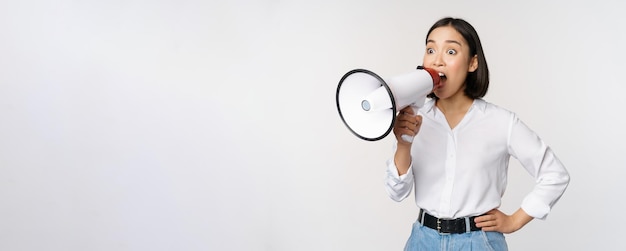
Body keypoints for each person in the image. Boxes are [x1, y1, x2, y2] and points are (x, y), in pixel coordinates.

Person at [385, 17, 570, 251]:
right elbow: (396, 193)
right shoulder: (414, 116)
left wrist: (515, 220)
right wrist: (404, 144)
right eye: (430, 49)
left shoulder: (501, 122)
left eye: (451, 51)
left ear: (473, 63)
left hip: (479, 243)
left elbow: (555, 174)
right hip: (422, 241)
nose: (437, 60)